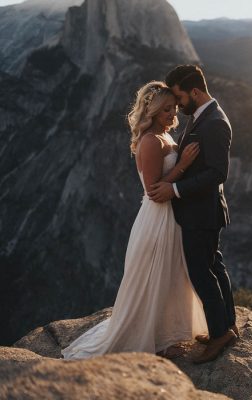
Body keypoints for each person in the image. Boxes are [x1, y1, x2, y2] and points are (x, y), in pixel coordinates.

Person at [62, 81, 208, 359]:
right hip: (158, 218)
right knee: (154, 277)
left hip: (172, 216)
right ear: (150, 111)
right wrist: (184, 166)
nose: (172, 113)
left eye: (174, 108)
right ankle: (153, 339)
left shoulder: (164, 136)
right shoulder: (151, 141)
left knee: (170, 275)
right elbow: (154, 191)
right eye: (165, 109)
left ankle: (165, 336)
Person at [148, 65, 238, 364]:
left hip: (202, 211)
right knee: (214, 266)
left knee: (201, 272)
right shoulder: (203, 116)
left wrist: (175, 191)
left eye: (180, 97)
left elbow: (217, 173)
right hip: (203, 211)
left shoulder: (214, 123)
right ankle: (225, 326)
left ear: (195, 92)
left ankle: (219, 334)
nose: (178, 104)